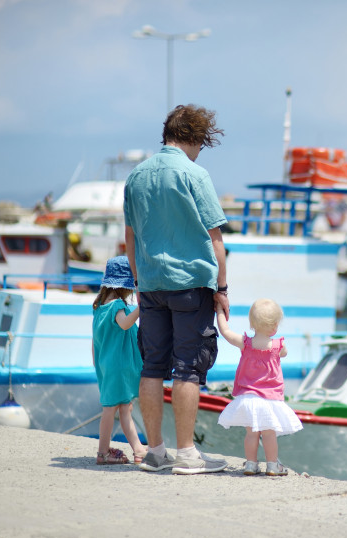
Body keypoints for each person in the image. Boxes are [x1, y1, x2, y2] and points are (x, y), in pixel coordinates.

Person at [124, 104, 230, 475]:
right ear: (195, 138)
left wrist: (139, 283)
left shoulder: (136, 176)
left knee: (152, 367)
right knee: (187, 369)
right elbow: (215, 238)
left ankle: (154, 453)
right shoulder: (194, 173)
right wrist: (223, 288)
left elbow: (130, 237)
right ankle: (187, 454)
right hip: (190, 286)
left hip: (150, 285)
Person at [216, 298, 302, 476]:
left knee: (251, 434)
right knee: (269, 434)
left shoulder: (245, 343)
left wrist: (219, 310)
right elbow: (284, 354)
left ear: (252, 323)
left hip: (249, 398)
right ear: (275, 326)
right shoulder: (279, 346)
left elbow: (225, 331)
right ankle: (272, 465)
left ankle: (250, 464)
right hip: (269, 400)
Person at [92, 256, 147, 465]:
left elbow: (94, 340)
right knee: (111, 409)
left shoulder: (98, 305)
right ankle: (102, 452)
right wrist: (141, 308)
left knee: (125, 407)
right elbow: (124, 325)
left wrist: (97, 363)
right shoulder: (117, 306)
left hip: (105, 363)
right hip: (119, 364)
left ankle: (138, 448)